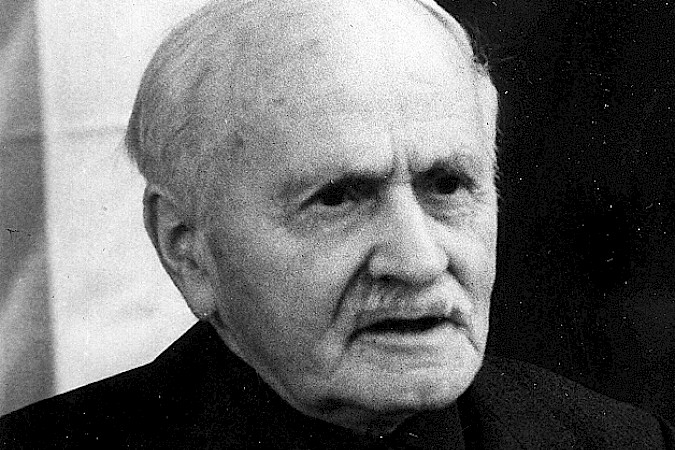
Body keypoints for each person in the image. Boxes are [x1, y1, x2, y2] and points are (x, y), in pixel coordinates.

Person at [1, 0, 673, 447]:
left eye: (447, 186)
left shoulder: (620, 443)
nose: (418, 261)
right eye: (337, 199)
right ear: (188, 250)